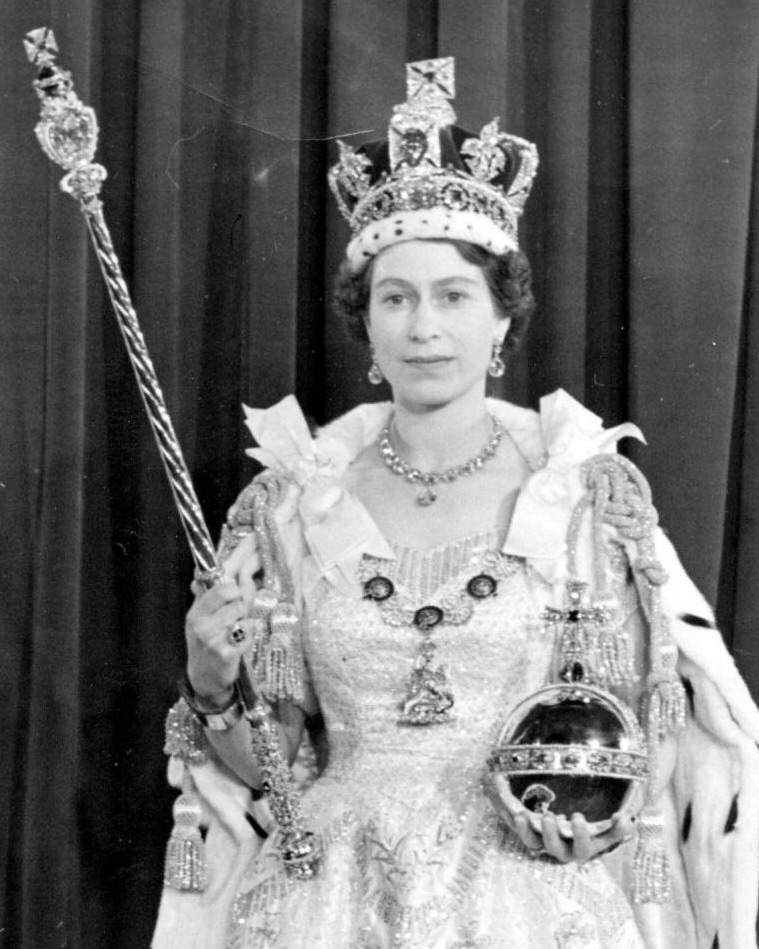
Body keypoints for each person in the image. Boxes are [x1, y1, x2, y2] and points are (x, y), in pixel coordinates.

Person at [152, 58, 759, 949]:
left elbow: (639, 728)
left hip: (530, 896)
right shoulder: (294, 508)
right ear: (366, 323)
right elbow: (272, 770)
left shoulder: (581, 498)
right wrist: (210, 681)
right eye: (395, 298)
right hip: (329, 903)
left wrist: (596, 820)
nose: (423, 327)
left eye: (452, 296)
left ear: (502, 318)